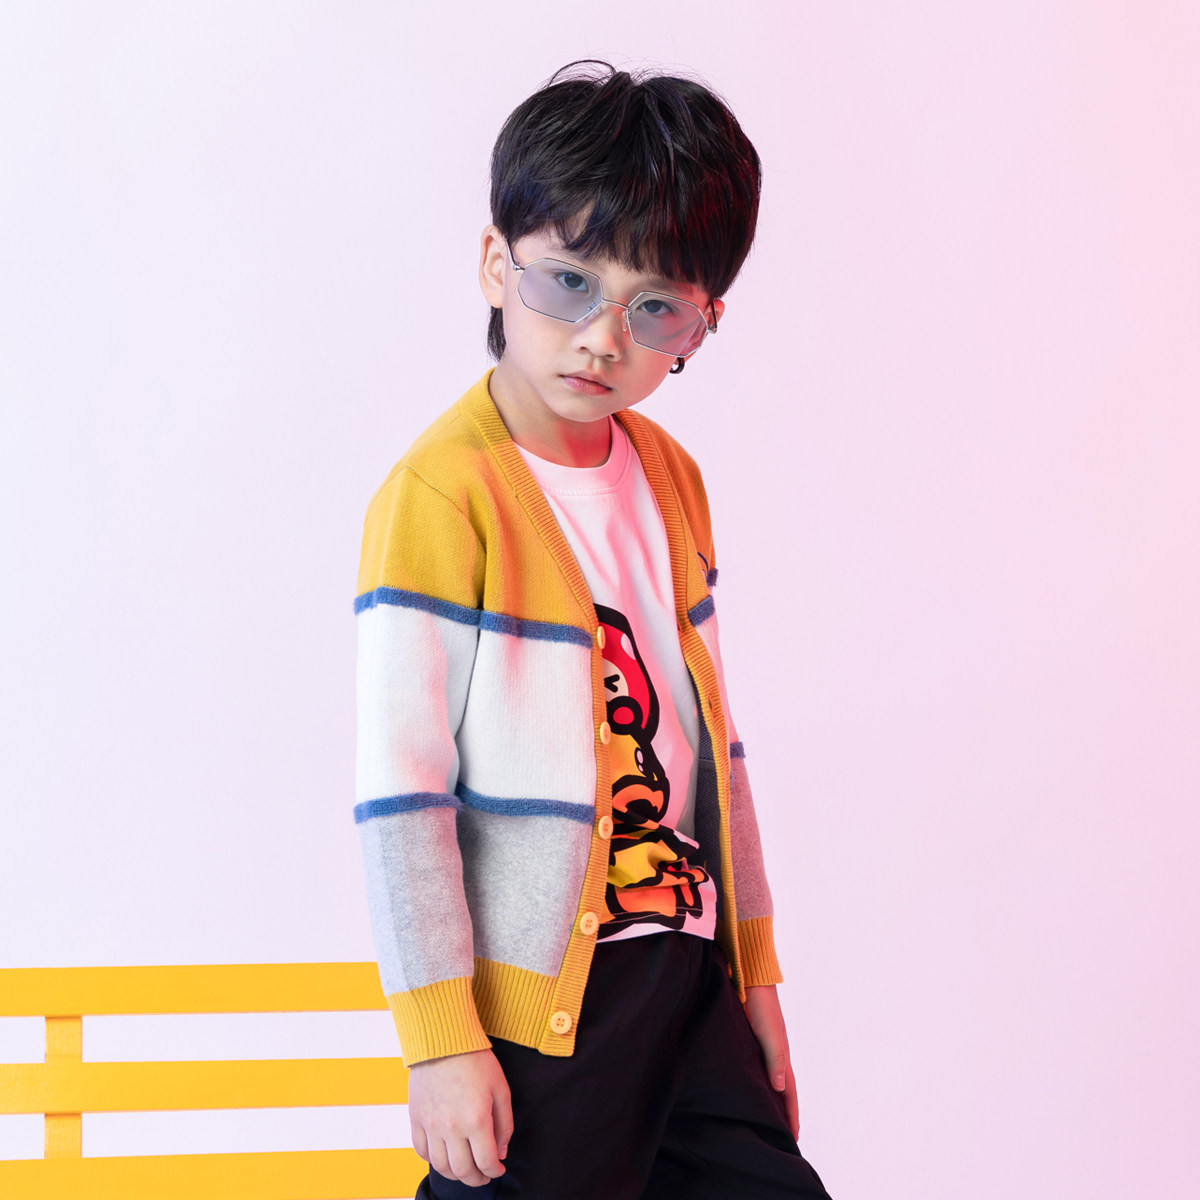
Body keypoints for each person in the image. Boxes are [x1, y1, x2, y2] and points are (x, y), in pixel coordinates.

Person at [353, 61, 834, 1199]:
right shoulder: (443, 497)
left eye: (655, 307)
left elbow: (713, 752)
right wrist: (439, 1040)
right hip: (547, 1006)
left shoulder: (671, 480)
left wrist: (754, 974)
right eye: (568, 281)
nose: (602, 338)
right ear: (495, 262)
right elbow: (403, 794)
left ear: (704, 320)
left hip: (687, 974)